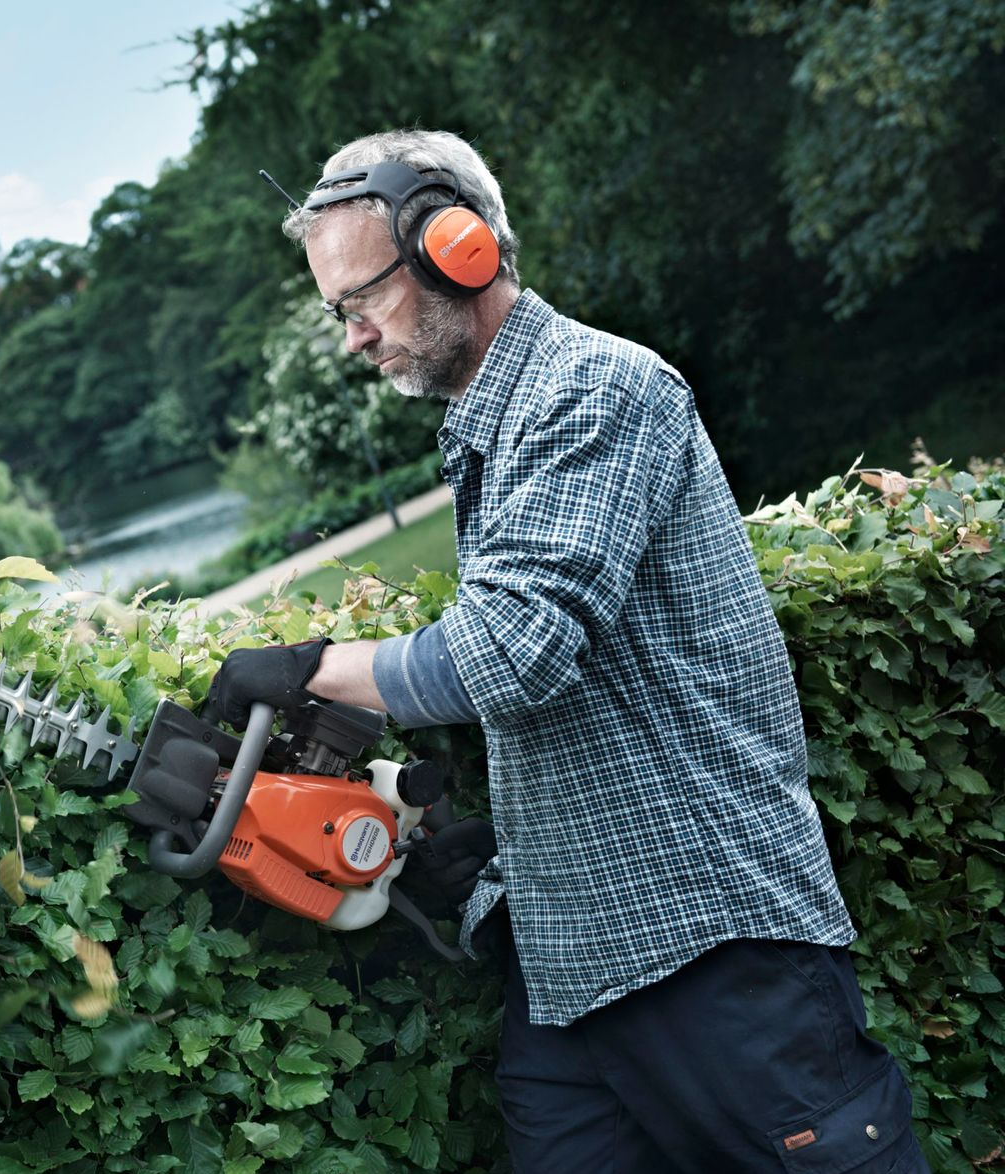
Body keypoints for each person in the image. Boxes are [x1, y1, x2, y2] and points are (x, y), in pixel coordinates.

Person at [203, 128, 926, 1173]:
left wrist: (311, 667)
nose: (351, 338)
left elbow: (512, 655)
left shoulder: (593, 391)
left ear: (458, 247)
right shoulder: (491, 428)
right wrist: (505, 864)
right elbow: (583, 687)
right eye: (338, 313)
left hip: (710, 947)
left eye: (360, 301)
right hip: (575, 974)